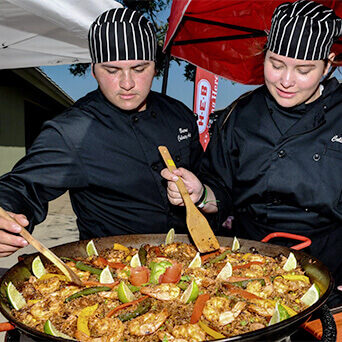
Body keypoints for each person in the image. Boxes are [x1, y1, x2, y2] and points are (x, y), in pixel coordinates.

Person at [162, 0, 342, 307]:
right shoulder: (239, 114)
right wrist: (200, 193)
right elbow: (219, 190)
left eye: (304, 70)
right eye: (275, 64)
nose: (286, 80)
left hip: (331, 273)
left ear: (328, 64)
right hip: (247, 271)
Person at [0, 8, 203, 257]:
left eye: (139, 69)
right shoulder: (73, 130)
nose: (127, 83)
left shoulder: (179, 114)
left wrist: (202, 191)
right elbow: (22, 186)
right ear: (94, 69)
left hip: (192, 260)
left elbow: (207, 174)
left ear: (155, 67)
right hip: (113, 272)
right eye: (112, 70)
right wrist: (6, 212)